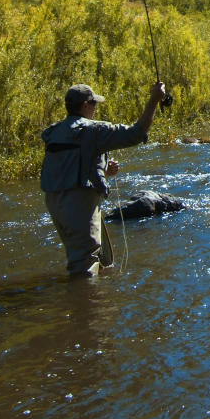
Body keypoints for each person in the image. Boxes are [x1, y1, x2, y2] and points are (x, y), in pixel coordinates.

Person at [40, 81, 167, 277]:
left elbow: (67, 164)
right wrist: (154, 100)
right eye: (93, 104)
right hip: (79, 202)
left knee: (96, 258)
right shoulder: (93, 130)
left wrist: (101, 171)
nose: (95, 109)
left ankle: (90, 294)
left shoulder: (55, 131)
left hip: (55, 201)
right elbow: (136, 133)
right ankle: (87, 304)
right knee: (85, 264)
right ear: (85, 105)